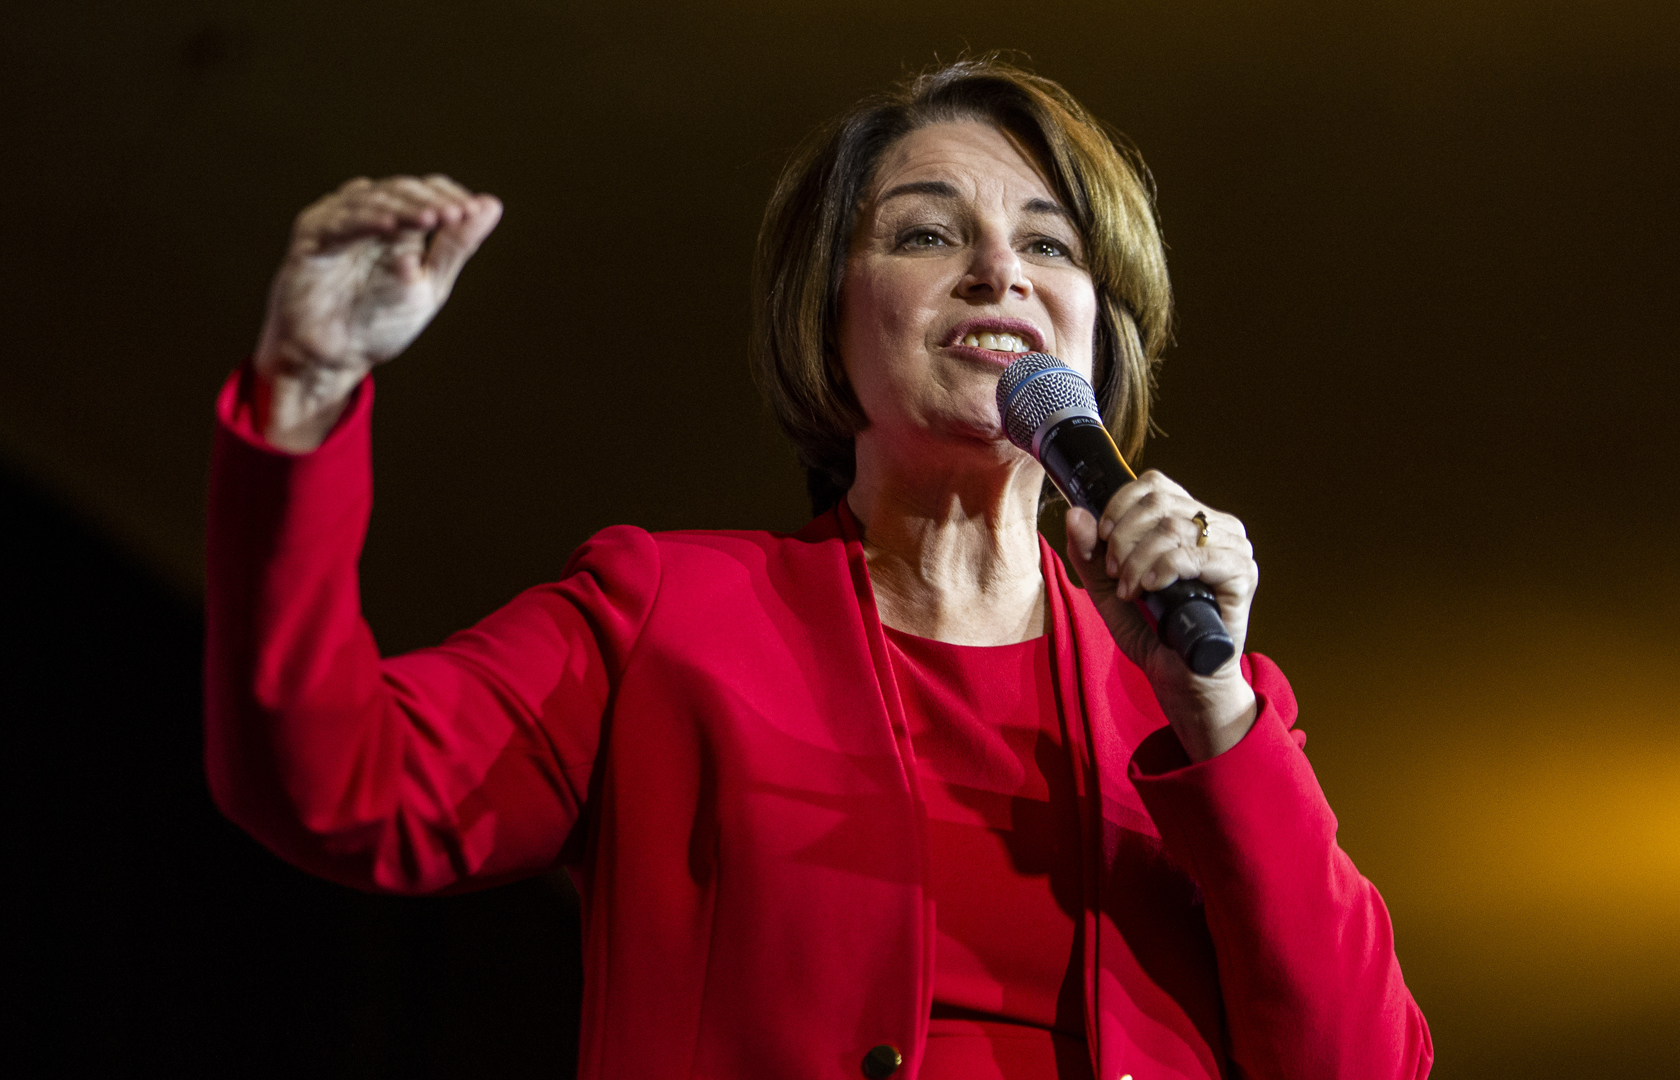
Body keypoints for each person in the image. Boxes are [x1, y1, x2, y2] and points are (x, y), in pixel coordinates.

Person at [204, 58, 1432, 1080]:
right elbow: (335, 782)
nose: (998, 270)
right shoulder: (664, 618)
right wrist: (303, 394)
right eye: (926, 232)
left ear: (1100, 334)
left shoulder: (1187, 708)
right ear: (828, 316)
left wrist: (1216, 712)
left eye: (1049, 244)